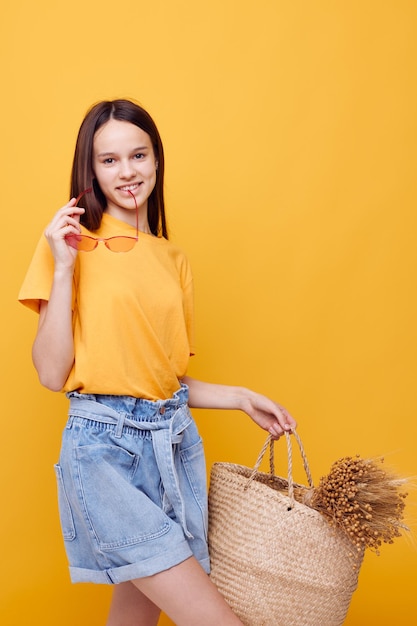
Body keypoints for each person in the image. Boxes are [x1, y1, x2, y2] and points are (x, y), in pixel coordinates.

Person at [18, 99, 297, 626]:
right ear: (90, 169)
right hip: (105, 453)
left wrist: (239, 397)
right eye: (109, 160)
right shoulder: (69, 247)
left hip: (173, 448)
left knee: (136, 619)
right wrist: (62, 271)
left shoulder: (173, 260)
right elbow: (52, 374)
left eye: (138, 155)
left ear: (156, 160)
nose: (127, 172)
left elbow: (159, 379)